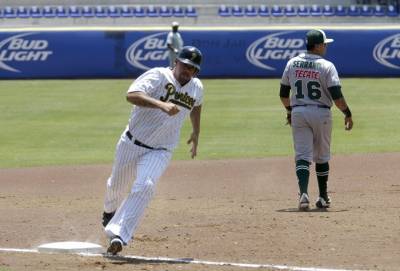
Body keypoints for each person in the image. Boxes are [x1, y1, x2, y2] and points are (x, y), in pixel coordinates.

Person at [102, 46, 203, 255]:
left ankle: (119, 234)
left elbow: (197, 105)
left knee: (145, 186)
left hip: (162, 149)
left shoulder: (197, 87)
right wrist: (161, 105)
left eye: (191, 68)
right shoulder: (159, 75)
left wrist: (196, 132)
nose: (186, 70)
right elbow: (132, 95)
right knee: (116, 187)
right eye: (184, 64)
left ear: (196, 71)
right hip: (131, 143)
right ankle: (108, 212)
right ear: (176, 62)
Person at [279, 29, 353, 211]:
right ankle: (323, 196)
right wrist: (347, 113)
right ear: (318, 45)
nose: (326, 46)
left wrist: (290, 110)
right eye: (324, 44)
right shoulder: (327, 66)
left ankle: (303, 194)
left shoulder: (292, 63)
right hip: (321, 112)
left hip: (299, 112)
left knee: (302, 156)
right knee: (322, 156)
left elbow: (283, 94)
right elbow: (336, 95)